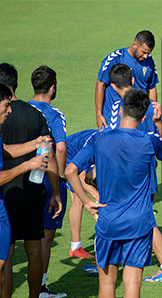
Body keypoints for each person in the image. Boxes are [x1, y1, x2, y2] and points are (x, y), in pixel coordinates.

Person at [65, 89, 162, 298]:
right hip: (139, 223)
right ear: (144, 117)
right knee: (133, 284)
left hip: (108, 221)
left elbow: (70, 171)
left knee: (107, 285)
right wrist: (160, 123)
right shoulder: (149, 141)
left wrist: (87, 202)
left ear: (122, 108)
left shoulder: (99, 139)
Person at [107, 64, 162, 282]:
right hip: (147, 172)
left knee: (147, 220)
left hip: (128, 175)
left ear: (112, 86)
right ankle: (113, 260)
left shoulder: (119, 108)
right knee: (135, 217)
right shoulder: (149, 105)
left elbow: (112, 140)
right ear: (132, 79)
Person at [0, 63, 62, 298]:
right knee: (34, 249)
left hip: (6, 193)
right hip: (32, 191)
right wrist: (55, 192)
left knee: (5, 255)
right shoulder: (36, 115)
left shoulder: (2, 119)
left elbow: (6, 151)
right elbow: (49, 154)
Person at [28, 65, 69, 298]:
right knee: (46, 234)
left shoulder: (19, 108)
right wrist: (61, 174)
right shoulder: (54, 114)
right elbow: (61, 147)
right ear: (52, 88)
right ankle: (41, 287)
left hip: (22, 178)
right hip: (46, 179)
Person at [95, 30, 159, 130]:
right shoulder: (116, 58)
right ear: (135, 45)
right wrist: (99, 114)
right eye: (143, 52)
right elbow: (100, 84)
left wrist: (153, 113)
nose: (146, 56)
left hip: (137, 118)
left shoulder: (149, 61)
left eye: (148, 53)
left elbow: (151, 88)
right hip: (113, 118)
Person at [65, 130, 100, 261]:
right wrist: (96, 196)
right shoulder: (93, 149)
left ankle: (76, 247)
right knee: (78, 200)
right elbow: (80, 178)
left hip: (83, 153)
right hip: (68, 156)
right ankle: (75, 247)